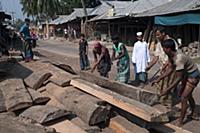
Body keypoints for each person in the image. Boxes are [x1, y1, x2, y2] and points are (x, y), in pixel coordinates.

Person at [152, 39, 200, 127]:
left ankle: (181, 121)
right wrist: (159, 78)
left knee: (183, 97)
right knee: (188, 96)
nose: (163, 51)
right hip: (187, 74)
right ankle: (194, 113)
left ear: (168, 49)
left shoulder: (178, 59)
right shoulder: (171, 55)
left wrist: (166, 90)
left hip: (193, 76)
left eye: (164, 49)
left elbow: (178, 79)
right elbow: (170, 69)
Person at [146, 27, 177, 107]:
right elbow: (156, 57)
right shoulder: (159, 43)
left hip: (171, 67)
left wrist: (166, 66)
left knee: (169, 84)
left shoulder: (171, 42)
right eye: (156, 35)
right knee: (160, 84)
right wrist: (149, 66)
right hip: (163, 67)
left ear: (163, 34)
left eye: (158, 35)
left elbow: (173, 56)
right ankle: (161, 100)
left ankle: (168, 103)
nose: (157, 37)